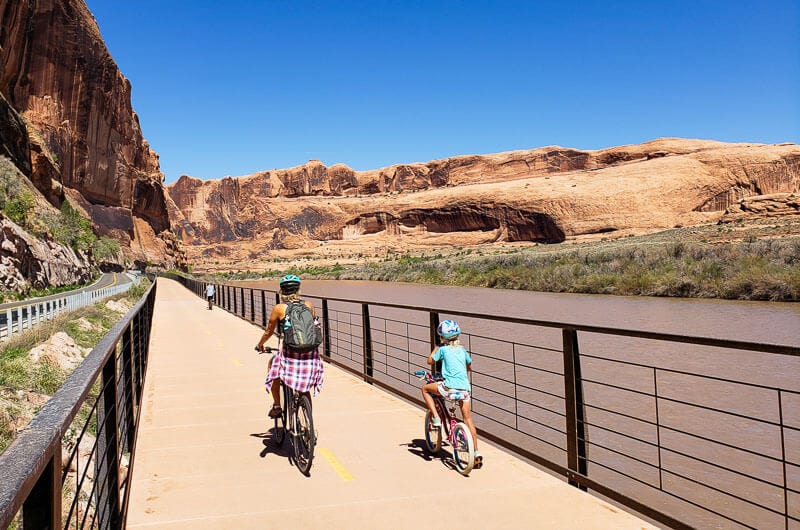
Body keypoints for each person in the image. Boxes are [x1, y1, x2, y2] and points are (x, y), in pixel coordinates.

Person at [256, 274, 324, 419]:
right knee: (304, 390)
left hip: (290, 354)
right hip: (310, 355)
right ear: (298, 289)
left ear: (281, 291)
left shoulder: (279, 308)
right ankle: (308, 420)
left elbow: (269, 331)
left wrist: (260, 345)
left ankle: (277, 406)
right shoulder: (309, 305)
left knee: (272, 369)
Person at [421, 319, 482, 468]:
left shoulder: (442, 349)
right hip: (465, 389)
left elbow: (429, 361)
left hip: (449, 388)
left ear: (442, 337)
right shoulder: (462, 350)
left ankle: (435, 417)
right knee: (468, 419)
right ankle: (476, 452)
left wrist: (436, 349)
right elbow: (469, 366)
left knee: (425, 389)